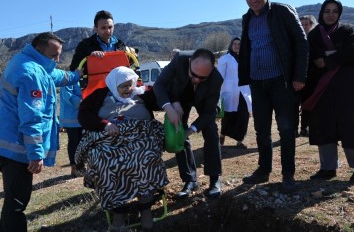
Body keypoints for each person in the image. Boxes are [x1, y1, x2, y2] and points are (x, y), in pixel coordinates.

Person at [0, 32, 82, 231]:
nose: (57, 59)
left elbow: (55, 75)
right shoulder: (31, 74)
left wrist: (77, 76)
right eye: (54, 55)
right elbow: (32, 118)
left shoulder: (30, 61)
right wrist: (36, 154)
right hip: (14, 148)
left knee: (13, 200)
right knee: (17, 203)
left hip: (4, 143)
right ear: (40, 50)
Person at [75, 66, 168, 231]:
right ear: (113, 85)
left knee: (145, 156)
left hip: (141, 135)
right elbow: (83, 115)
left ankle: (145, 207)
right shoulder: (99, 96)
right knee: (103, 161)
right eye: (123, 86)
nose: (128, 89)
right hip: (108, 138)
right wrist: (105, 125)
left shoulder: (142, 92)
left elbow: (161, 99)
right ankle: (119, 211)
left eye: (130, 84)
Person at [238, 0, 309, 192]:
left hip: (283, 81)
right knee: (261, 130)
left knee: (287, 129)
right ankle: (263, 170)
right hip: (258, 83)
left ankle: (288, 175)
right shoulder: (247, 19)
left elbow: (301, 42)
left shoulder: (281, 11)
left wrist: (299, 76)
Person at [302, 0, 354, 183]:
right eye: (327, 11)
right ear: (321, 13)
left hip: (348, 87)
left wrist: (327, 61)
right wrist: (338, 56)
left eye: (334, 11)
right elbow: (311, 58)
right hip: (322, 88)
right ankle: (328, 168)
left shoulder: (348, 30)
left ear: (339, 14)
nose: (330, 14)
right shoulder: (313, 36)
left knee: (351, 124)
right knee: (323, 125)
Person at [153, 48, 223, 199]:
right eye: (194, 75)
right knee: (178, 130)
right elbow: (159, 85)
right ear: (190, 62)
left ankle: (215, 178)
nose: (197, 79)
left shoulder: (216, 79)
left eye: (202, 77)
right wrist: (170, 106)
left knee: (210, 129)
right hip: (180, 96)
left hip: (204, 100)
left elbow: (210, 112)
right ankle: (190, 180)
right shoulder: (179, 60)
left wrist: (191, 130)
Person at [217, 37, 252, 149]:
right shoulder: (225, 59)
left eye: (239, 44)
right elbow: (219, 75)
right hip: (229, 92)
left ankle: (239, 140)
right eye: (235, 44)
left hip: (244, 91)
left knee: (244, 115)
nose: (237, 46)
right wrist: (217, 90)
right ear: (231, 45)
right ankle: (222, 134)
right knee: (228, 116)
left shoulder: (246, 58)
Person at [296, 15, 318, 137]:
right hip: (297, 77)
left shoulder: (315, 40)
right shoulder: (296, 39)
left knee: (308, 104)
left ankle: (304, 127)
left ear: (311, 25)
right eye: (302, 24)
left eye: (306, 24)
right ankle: (294, 130)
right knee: (294, 105)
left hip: (311, 78)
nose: (304, 27)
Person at [59, 81, 83, 177]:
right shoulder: (68, 80)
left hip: (82, 116)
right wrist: (84, 102)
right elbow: (69, 97)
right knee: (74, 141)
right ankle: (74, 167)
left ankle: (81, 165)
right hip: (71, 118)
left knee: (82, 141)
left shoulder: (83, 78)